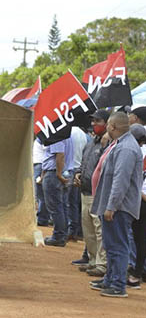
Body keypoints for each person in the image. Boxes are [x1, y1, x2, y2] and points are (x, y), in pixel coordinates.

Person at [90, 112, 143, 298]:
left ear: (113, 126)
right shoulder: (120, 144)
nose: (105, 128)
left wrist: (111, 206)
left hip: (119, 207)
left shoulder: (127, 148)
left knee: (118, 246)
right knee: (111, 245)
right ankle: (110, 279)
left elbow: (121, 181)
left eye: (108, 125)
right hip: (114, 205)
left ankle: (118, 284)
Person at [72, 110, 109, 277]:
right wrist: (78, 174)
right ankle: (93, 260)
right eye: (93, 121)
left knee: (98, 229)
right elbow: (83, 163)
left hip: (98, 193)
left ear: (108, 124)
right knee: (88, 230)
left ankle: (102, 264)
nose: (94, 124)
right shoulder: (91, 143)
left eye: (98, 121)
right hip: (85, 191)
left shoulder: (107, 144)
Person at [41, 136, 73, 247]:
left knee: (55, 207)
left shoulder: (57, 134)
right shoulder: (67, 134)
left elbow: (60, 154)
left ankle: (59, 236)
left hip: (55, 173)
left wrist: (58, 174)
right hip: (64, 172)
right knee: (62, 206)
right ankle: (62, 235)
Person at [127, 123, 146, 289]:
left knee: (140, 239)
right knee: (136, 237)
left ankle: (137, 272)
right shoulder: (141, 151)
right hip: (138, 198)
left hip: (142, 199)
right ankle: (136, 270)